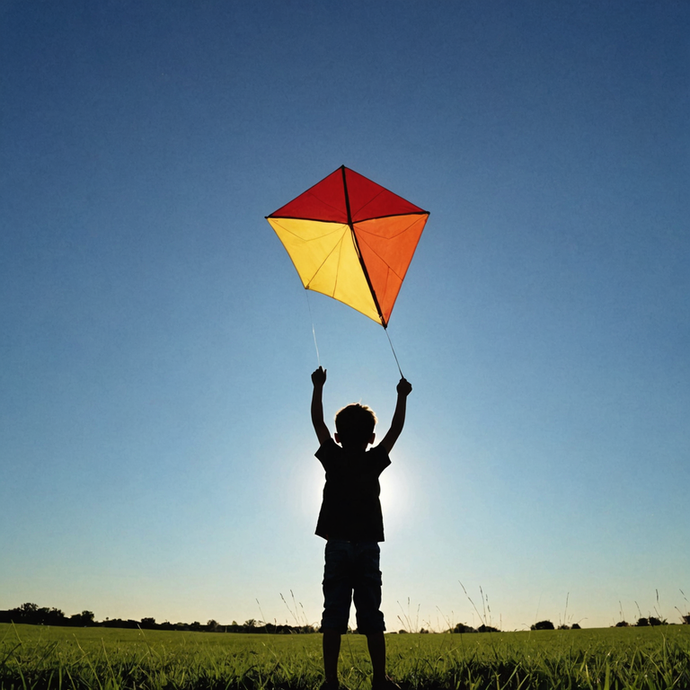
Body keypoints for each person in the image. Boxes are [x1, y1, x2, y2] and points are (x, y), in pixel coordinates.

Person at [311, 366, 412, 690]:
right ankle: (380, 679)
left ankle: (331, 682)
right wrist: (401, 396)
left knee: (333, 615)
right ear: (371, 438)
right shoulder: (373, 460)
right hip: (367, 546)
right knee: (371, 615)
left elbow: (318, 422)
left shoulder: (333, 457)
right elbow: (395, 429)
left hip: (338, 545)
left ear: (339, 437)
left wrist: (318, 386)